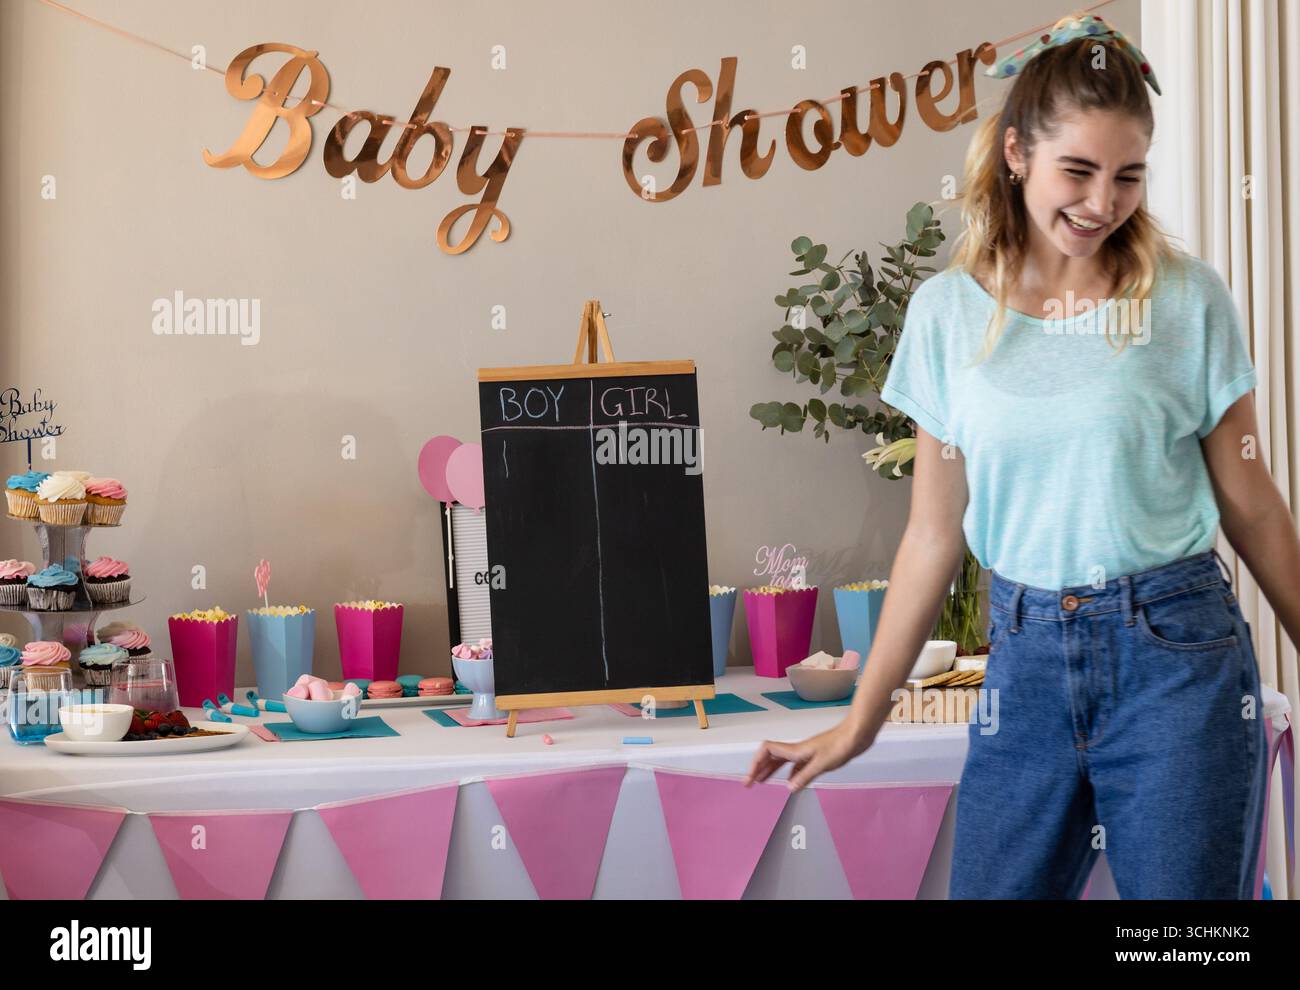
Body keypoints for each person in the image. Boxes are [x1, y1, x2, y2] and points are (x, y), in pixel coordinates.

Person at [744, 14, 1300, 899]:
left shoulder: (1186, 300)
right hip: (1024, 661)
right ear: (1016, 154)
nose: (1101, 202)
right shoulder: (947, 315)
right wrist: (864, 718)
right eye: (1077, 171)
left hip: (1176, 655)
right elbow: (933, 535)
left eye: (1127, 176)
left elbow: (1253, 501)